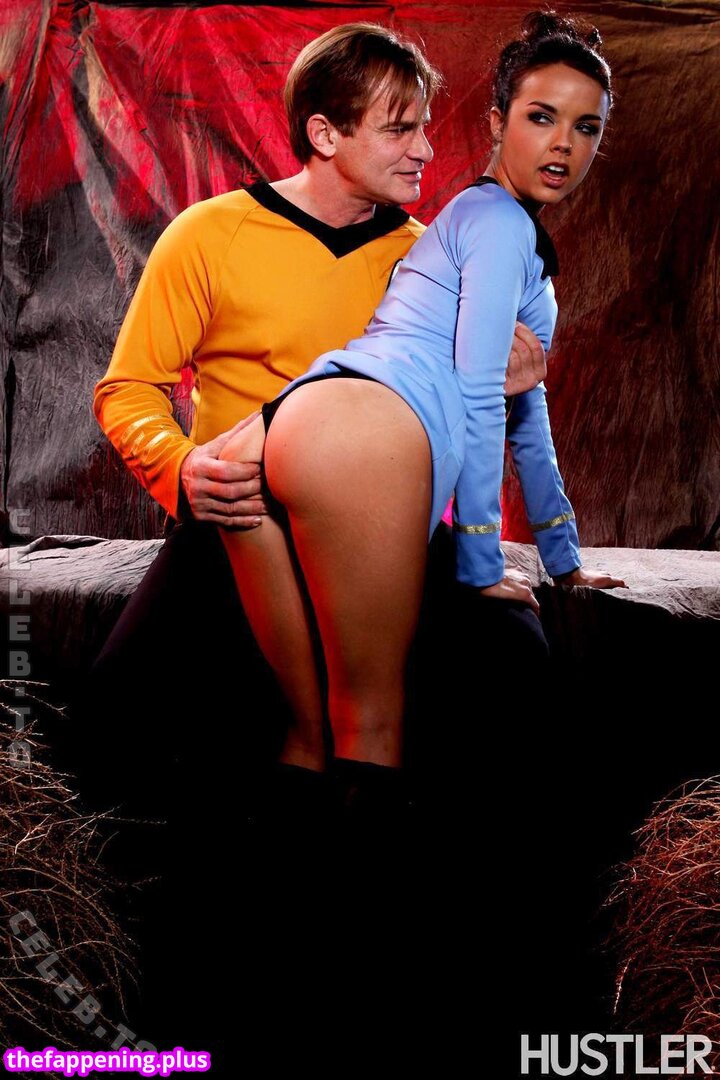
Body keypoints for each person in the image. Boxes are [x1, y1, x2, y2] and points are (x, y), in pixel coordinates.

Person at [85, 22, 550, 825]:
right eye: (400, 129)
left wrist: (505, 385)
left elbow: (460, 424)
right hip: (238, 522)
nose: (426, 151)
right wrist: (183, 470)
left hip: (388, 537)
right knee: (116, 716)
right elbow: (127, 390)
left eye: (424, 128)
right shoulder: (207, 234)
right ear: (326, 134)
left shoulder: (435, 262)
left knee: (515, 656)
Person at [215, 10, 626, 805]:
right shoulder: (500, 227)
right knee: (369, 724)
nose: (563, 145)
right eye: (541, 118)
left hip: (297, 416)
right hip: (368, 433)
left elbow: (518, 401)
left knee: (311, 735)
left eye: (587, 127)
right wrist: (481, 560)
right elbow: (481, 393)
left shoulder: (471, 221)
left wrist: (564, 555)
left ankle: (287, 840)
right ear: (498, 122)